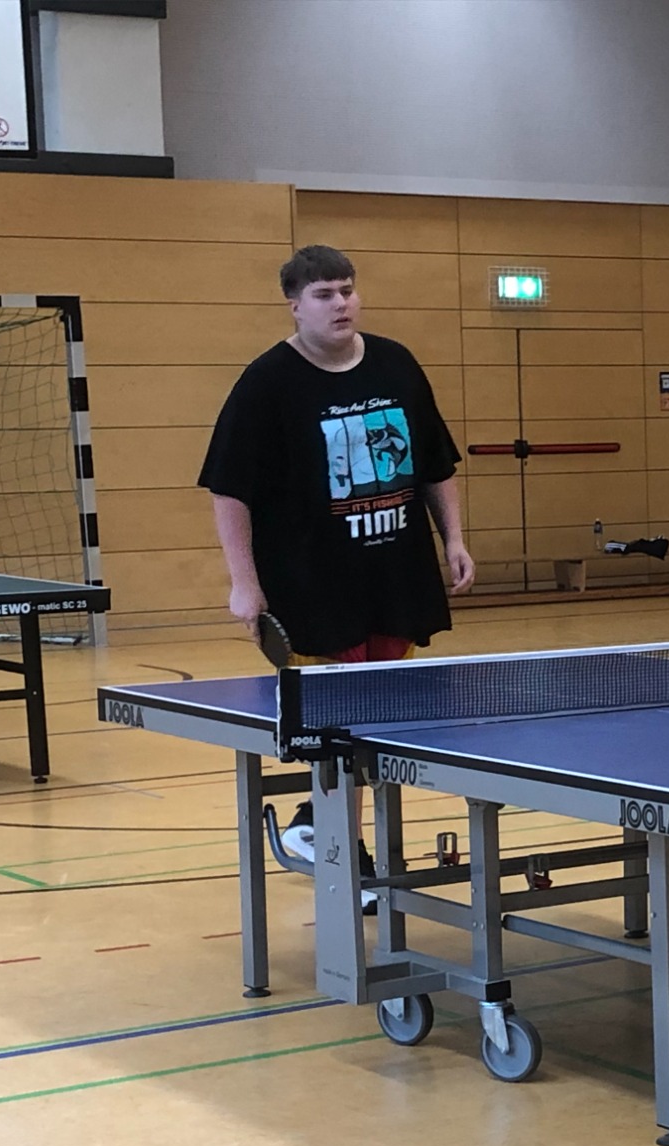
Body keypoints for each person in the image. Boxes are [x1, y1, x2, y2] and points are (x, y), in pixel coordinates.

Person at [201, 244, 474, 864]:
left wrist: (453, 539)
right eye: (324, 294)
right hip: (312, 584)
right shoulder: (267, 382)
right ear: (294, 306)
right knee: (339, 722)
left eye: (347, 290)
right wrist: (243, 582)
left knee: (374, 723)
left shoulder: (396, 363)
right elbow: (229, 490)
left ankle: (315, 826)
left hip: (396, 576)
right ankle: (341, 852)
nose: (340, 303)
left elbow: (435, 464)